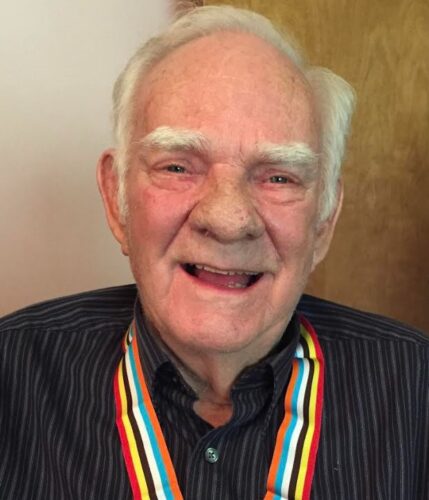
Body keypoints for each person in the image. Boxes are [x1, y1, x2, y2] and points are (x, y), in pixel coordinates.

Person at [0, 5, 427, 500]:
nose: (228, 220)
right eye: (178, 167)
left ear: (324, 221)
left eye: (279, 176)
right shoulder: (12, 375)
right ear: (116, 199)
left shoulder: (416, 386)